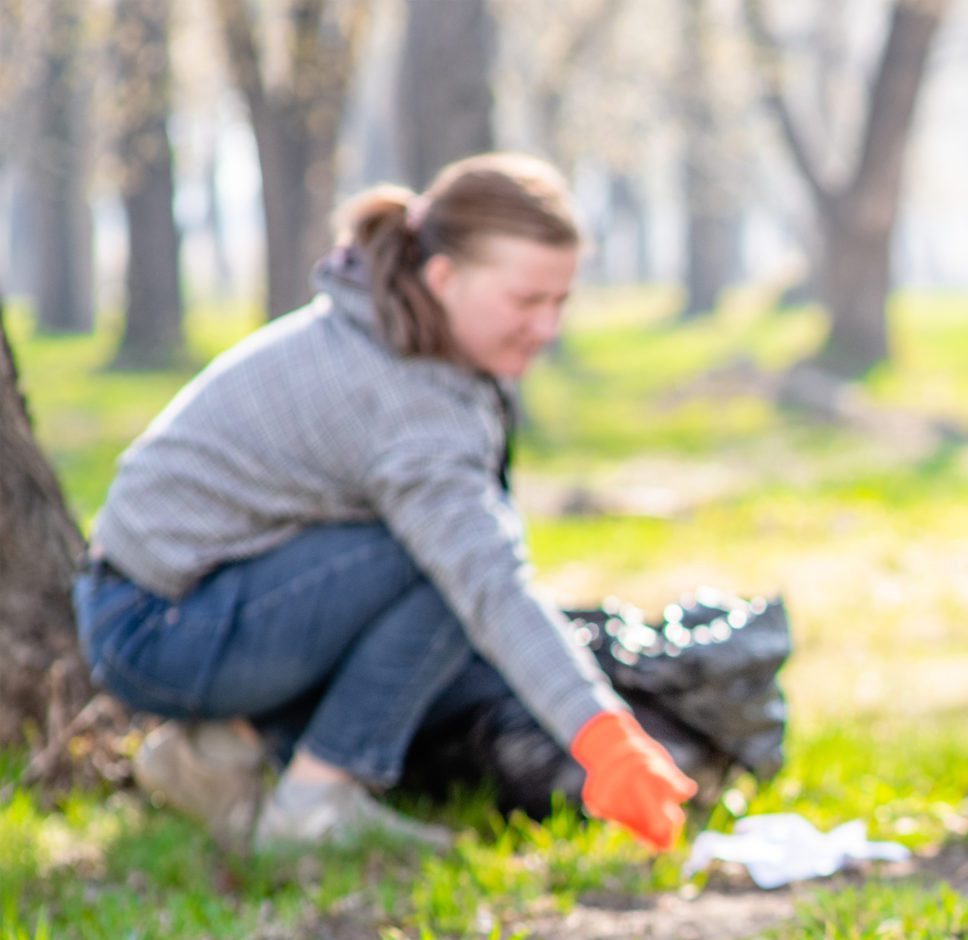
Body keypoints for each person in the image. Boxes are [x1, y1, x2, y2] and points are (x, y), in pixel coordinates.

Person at [76, 154, 695, 855]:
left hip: (167, 605)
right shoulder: (401, 395)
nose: (547, 328)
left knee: (449, 591)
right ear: (443, 278)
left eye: (560, 302)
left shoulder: (393, 329)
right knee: (445, 571)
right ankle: (314, 807)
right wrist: (604, 739)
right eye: (527, 302)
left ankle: (216, 755)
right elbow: (490, 584)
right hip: (161, 627)